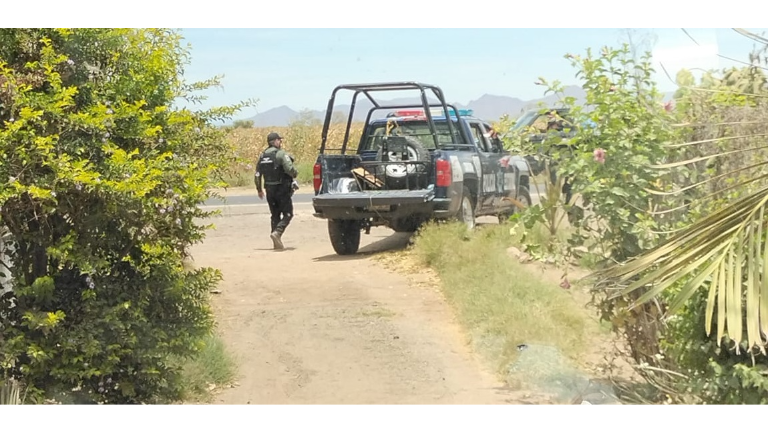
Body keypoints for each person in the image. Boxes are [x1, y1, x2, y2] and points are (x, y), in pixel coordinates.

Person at [254, 132, 299, 250]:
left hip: (269, 189)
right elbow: (289, 169)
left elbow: (257, 174)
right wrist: (295, 174)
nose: (280, 142)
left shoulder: (262, 156)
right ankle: (277, 233)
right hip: (282, 189)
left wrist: (259, 189)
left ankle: (276, 243)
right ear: (274, 142)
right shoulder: (281, 154)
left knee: (275, 215)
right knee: (288, 214)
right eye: (279, 140)